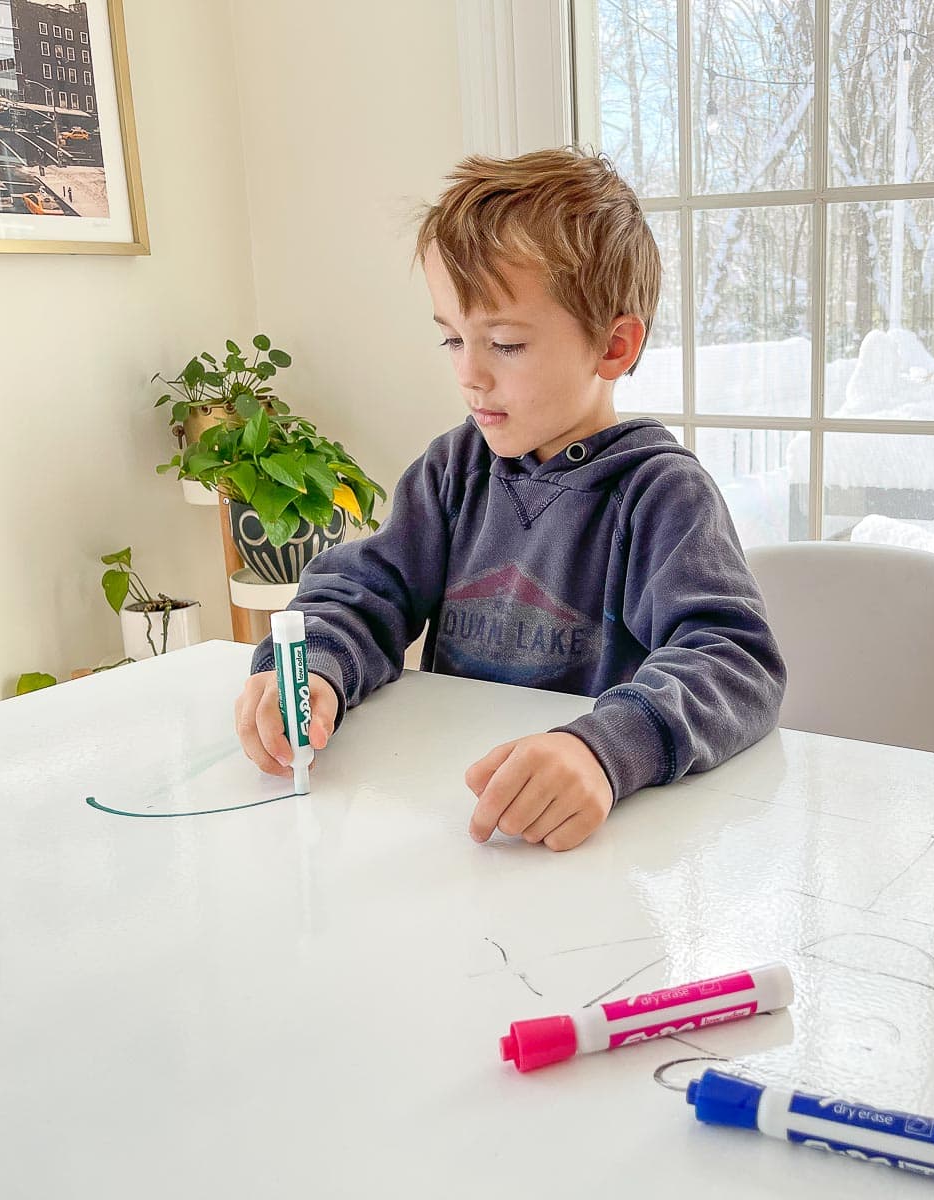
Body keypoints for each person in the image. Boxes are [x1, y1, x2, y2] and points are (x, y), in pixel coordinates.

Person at [233, 147, 786, 851]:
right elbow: (361, 593)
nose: (470, 375)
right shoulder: (453, 470)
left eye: (505, 343)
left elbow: (734, 660)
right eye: (453, 339)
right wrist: (313, 671)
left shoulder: (661, 494)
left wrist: (603, 749)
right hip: (455, 823)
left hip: (597, 846)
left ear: (613, 348)